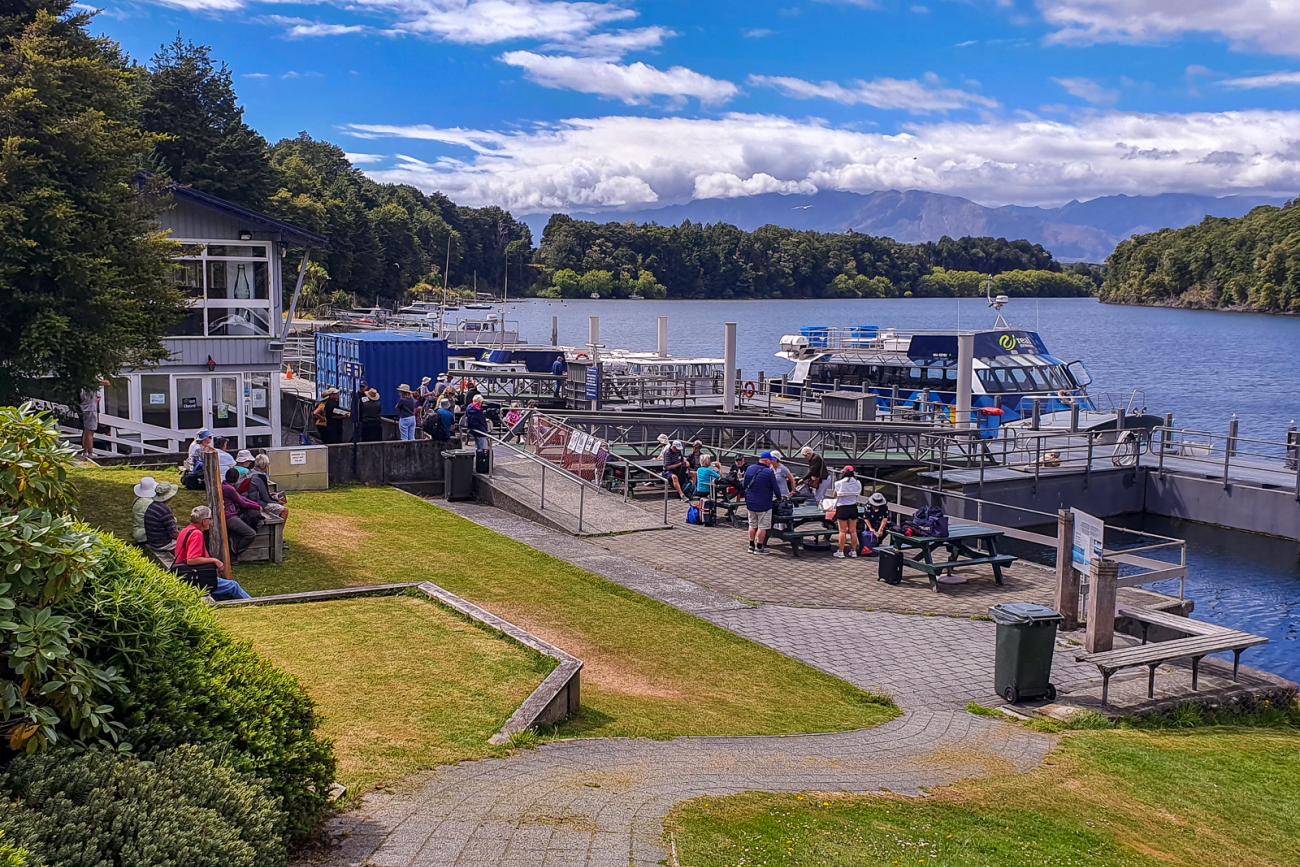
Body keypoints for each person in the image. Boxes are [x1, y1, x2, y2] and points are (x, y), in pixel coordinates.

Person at [173, 506, 250, 601]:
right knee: (233, 586)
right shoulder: (197, 534)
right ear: (204, 521)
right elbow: (191, 560)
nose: (210, 521)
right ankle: (256, 604)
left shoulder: (185, 530)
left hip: (186, 574)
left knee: (226, 589)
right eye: (209, 519)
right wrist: (215, 560)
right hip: (195, 576)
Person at [221, 467, 263, 558]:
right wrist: (257, 507)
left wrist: (256, 504)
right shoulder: (229, 489)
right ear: (237, 478)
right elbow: (242, 503)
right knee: (251, 533)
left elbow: (240, 498)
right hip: (229, 517)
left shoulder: (225, 485)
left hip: (229, 514)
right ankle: (235, 551)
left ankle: (234, 543)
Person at [743, 452, 779, 554]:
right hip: (764, 504)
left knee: (752, 524)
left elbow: (745, 484)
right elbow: (775, 488)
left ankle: (751, 546)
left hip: (750, 502)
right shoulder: (769, 472)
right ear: (767, 460)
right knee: (762, 526)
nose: (771, 462)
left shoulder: (749, 469)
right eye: (770, 460)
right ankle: (759, 547)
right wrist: (780, 498)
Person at [831, 465, 863, 559]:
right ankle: (853, 551)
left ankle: (840, 551)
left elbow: (834, 495)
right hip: (853, 507)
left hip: (842, 507)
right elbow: (858, 494)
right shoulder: (857, 483)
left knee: (842, 531)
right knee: (853, 531)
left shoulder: (839, 483)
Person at [247, 454, 289, 520]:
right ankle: (278, 530)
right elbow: (266, 498)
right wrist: (278, 501)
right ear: (265, 465)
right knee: (284, 510)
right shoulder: (260, 476)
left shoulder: (251, 472)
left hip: (250, 500)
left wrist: (271, 495)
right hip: (257, 502)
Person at [78, 381, 106, 458]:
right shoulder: (90, 383)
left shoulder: (83, 386)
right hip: (90, 409)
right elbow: (107, 383)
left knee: (86, 431)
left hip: (85, 408)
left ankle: (85, 452)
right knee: (90, 431)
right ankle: (90, 453)